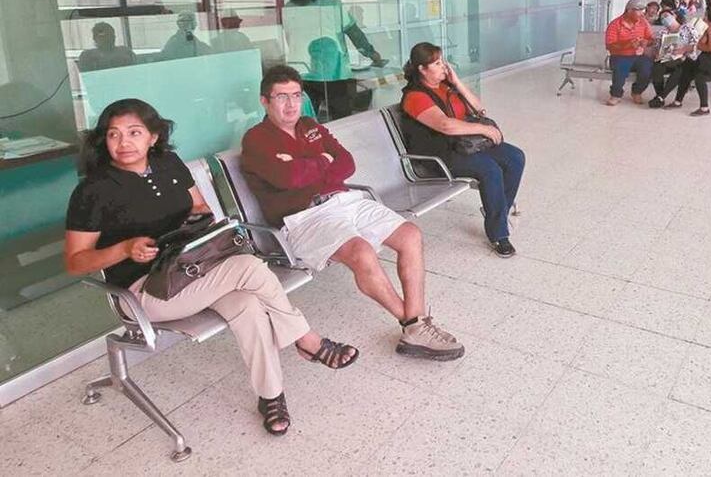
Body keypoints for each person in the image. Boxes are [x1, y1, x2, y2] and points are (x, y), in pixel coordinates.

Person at [63, 98, 356, 436]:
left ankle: (271, 395)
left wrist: (197, 219)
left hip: (194, 268)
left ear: (153, 136)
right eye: (114, 135)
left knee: (247, 304)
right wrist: (124, 248)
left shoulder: (169, 164)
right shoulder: (93, 191)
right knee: (249, 267)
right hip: (147, 291)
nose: (124, 142)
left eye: (134, 132)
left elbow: (200, 205)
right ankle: (309, 340)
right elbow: (75, 262)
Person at [241, 65, 464, 361]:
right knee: (361, 252)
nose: (291, 104)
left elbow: (346, 164)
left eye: (296, 95)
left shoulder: (309, 124)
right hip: (303, 217)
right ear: (264, 101)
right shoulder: (256, 139)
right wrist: (322, 159)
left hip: (345, 200)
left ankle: (416, 324)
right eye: (281, 97)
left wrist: (305, 162)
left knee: (410, 235)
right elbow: (288, 179)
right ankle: (414, 325)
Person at [398, 43, 526, 256]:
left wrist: (456, 81)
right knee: (490, 169)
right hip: (440, 155)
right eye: (437, 63)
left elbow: (479, 108)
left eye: (442, 62)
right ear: (422, 69)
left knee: (515, 157)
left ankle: (497, 210)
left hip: (465, 144)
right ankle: (498, 234)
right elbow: (445, 125)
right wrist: (483, 129)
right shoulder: (415, 97)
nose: (444, 67)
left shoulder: (446, 86)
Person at [661, 9, 711, 116]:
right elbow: (700, 45)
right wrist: (709, 41)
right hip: (710, 63)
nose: (705, 24)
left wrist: (710, 35)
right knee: (686, 69)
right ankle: (678, 101)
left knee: (700, 78)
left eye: (708, 23)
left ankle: (704, 108)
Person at [604, 0, 654, 106]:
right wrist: (628, 44)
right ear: (629, 11)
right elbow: (610, 46)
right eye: (639, 10)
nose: (642, 13)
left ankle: (637, 92)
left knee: (647, 68)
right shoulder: (615, 24)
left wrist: (646, 43)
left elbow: (651, 39)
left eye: (643, 10)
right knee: (621, 68)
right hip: (619, 56)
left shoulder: (643, 23)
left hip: (637, 56)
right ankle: (616, 95)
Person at [648, 11, 699, 108]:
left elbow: (696, 45)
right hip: (668, 59)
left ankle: (661, 97)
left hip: (686, 59)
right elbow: (657, 48)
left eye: (667, 16)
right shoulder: (663, 32)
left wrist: (682, 50)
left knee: (680, 69)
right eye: (662, 18)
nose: (665, 19)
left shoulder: (688, 28)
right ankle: (660, 96)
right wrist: (658, 53)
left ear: (674, 16)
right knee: (657, 68)